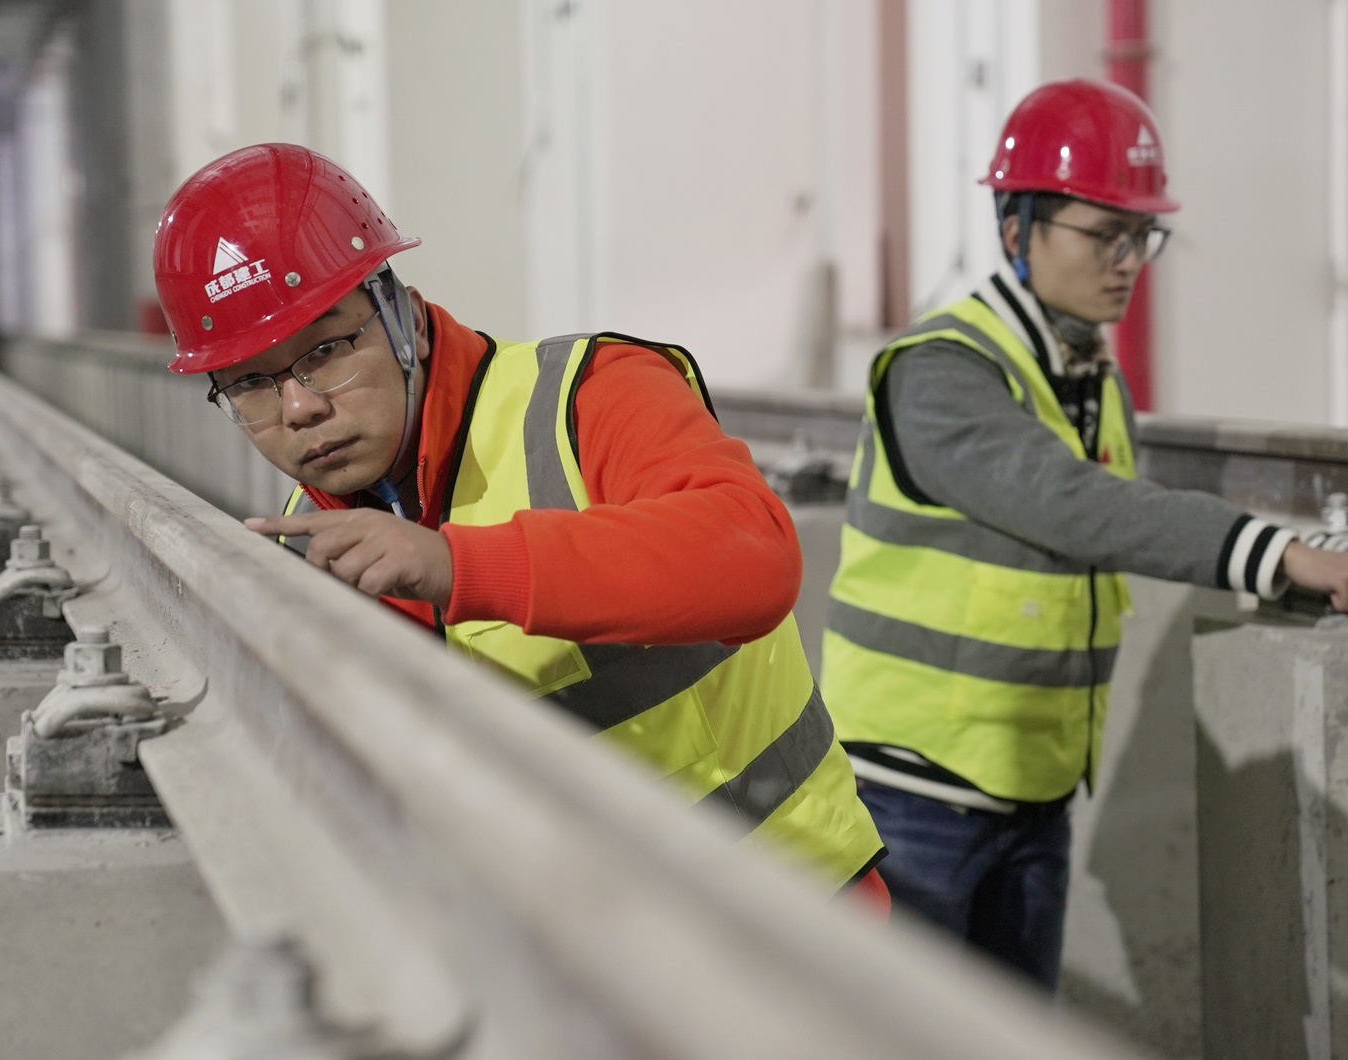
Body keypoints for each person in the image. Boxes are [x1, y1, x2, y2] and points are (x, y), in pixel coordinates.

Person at [818, 79, 1348, 983]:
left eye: (1141, 237)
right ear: (1016, 230)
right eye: (1102, 234)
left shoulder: (1091, 376)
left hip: (1034, 793)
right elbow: (1075, 504)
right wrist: (1280, 554)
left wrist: (1326, 547)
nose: (1127, 262)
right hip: (911, 795)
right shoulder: (940, 371)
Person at [150, 143, 886, 904]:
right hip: (569, 943)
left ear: (406, 319)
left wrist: (458, 566)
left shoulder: (588, 395)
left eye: (328, 350)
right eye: (251, 383)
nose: (300, 406)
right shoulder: (309, 541)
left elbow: (755, 558)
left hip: (787, 920)